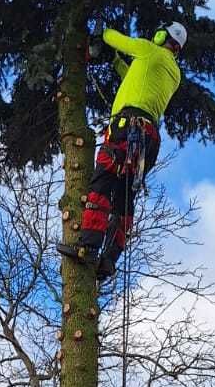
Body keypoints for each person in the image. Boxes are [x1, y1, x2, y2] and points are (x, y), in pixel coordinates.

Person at [58, 21, 187, 281]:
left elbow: (113, 37)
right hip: (149, 139)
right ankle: (109, 260)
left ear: (162, 36)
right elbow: (136, 79)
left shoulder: (148, 50)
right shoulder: (172, 71)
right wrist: (116, 63)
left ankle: (87, 246)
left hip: (127, 129)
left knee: (103, 182)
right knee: (124, 198)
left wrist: (102, 31)